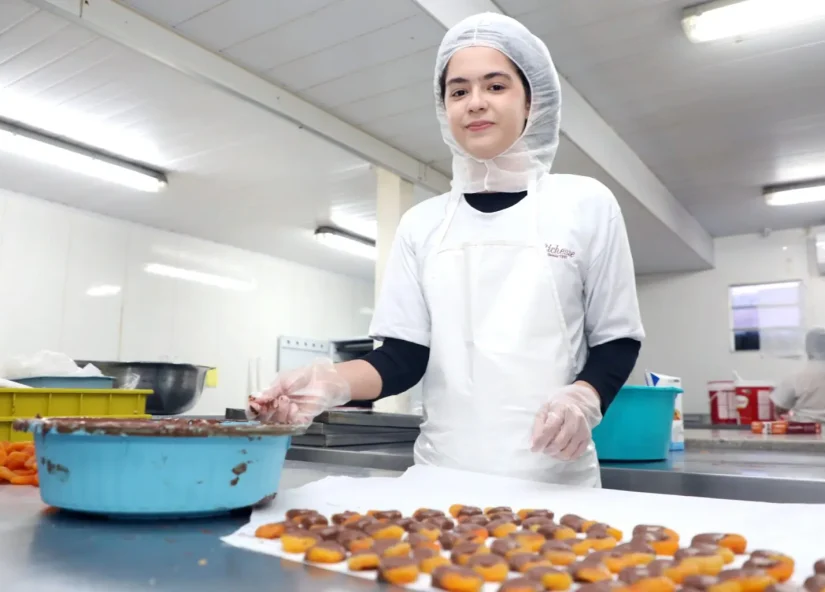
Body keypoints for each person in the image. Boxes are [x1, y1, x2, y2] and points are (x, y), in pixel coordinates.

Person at [249, 13, 644, 486]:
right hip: (443, 479)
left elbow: (615, 339)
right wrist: (328, 384)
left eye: (495, 86)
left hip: (557, 481)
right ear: (445, 110)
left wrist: (583, 397)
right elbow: (400, 360)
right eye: (458, 91)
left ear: (531, 101)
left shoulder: (585, 203)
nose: (475, 103)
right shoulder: (423, 224)